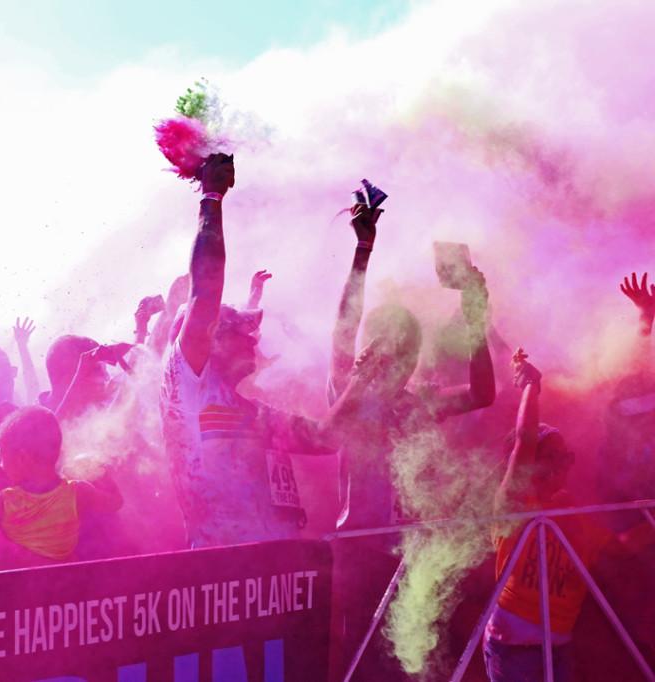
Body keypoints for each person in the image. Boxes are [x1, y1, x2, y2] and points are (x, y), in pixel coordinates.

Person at [160, 154, 371, 549]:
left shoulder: (257, 414)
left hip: (282, 579)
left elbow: (325, 439)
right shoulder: (189, 388)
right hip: (221, 576)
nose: (253, 340)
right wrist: (211, 197)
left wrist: (363, 380)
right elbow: (205, 288)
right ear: (212, 338)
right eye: (240, 332)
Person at [326, 200, 495, 681]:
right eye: (397, 345)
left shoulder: (413, 404)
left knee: (412, 667)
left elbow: (483, 394)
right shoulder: (349, 393)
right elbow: (343, 327)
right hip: (360, 554)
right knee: (363, 669)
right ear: (375, 347)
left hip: (410, 555)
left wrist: (475, 315)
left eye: (410, 349)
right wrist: (362, 250)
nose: (404, 357)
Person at [484, 350, 654, 682]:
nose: (564, 463)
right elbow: (524, 441)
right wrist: (532, 387)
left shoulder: (572, 514)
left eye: (567, 456)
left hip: (559, 646)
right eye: (554, 455)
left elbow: (620, 546)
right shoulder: (514, 504)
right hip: (512, 647)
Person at [0, 406, 122, 573]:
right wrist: (100, 470)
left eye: (2, 456)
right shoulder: (79, 492)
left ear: (22, 458)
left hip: (35, 594)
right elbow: (115, 502)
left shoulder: (4, 502)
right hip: (62, 588)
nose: (1, 465)